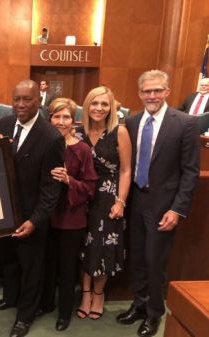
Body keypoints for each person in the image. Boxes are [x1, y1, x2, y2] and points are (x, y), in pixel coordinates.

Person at [117, 70, 200, 337]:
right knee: (138, 259)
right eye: (146, 91)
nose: (151, 95)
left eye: (157, 90)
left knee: (155, 262)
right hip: (135, 202)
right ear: (140, 93)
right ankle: (139, 305)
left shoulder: (185, 123)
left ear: (167, 91)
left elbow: (190, 171)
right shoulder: (132, 122)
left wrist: (178, 209)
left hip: (164, 206)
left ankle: (155, 313)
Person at [0, 80, 64, 337]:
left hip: (31, 217)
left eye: (27, 99)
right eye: (16, 98)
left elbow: (51, 189)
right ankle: (10, 298)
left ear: (38, 101)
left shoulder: (51, 137)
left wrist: (35, 221)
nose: (20, 104)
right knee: (8, 261)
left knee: (32, 268)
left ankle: (25, 316)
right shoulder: (6, 124)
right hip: (4, 212)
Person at [38, 98, 98, 331]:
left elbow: (90, 187)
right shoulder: (42, 144)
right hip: (44, 216)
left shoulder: (81, 150)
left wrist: (68, 180)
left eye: (66, 117)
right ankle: (45, 304)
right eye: (56, 116)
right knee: (46, 264)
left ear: (73, 121)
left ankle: (64, 312)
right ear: (49, 118)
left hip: (70, 218)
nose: (61, 122)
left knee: (66, 268)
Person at [75, 86, 131, 321]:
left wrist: (121, 202)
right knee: (84, 248)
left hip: (109, 197)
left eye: (104, 104)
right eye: (94, 103)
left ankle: (99, 294)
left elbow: (126, 171)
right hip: (81, 197)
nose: (99, 108)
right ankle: (85, 294)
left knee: (104, 247)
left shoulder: (120, 132)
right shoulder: (78, 132)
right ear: (87, 106)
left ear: (111, 108)